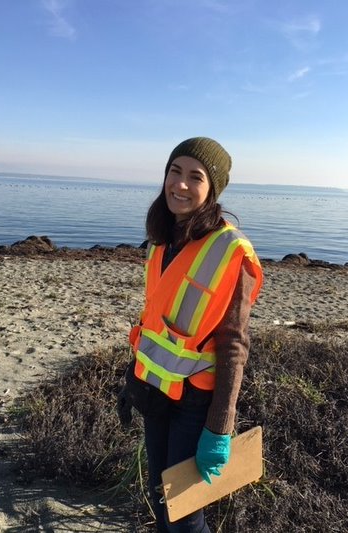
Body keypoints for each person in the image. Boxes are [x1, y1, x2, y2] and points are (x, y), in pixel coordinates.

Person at [117, 137, 263, 532]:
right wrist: (132, 377)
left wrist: (220, 426)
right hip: (156, 391)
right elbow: (154, 321)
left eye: (194, 177)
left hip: (195, 402)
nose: (180, 184)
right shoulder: (162, 238)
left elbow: (234, 345)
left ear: (211, 189)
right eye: (174, 172)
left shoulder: (230, 249)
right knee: (160, 497)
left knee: (184, 512)